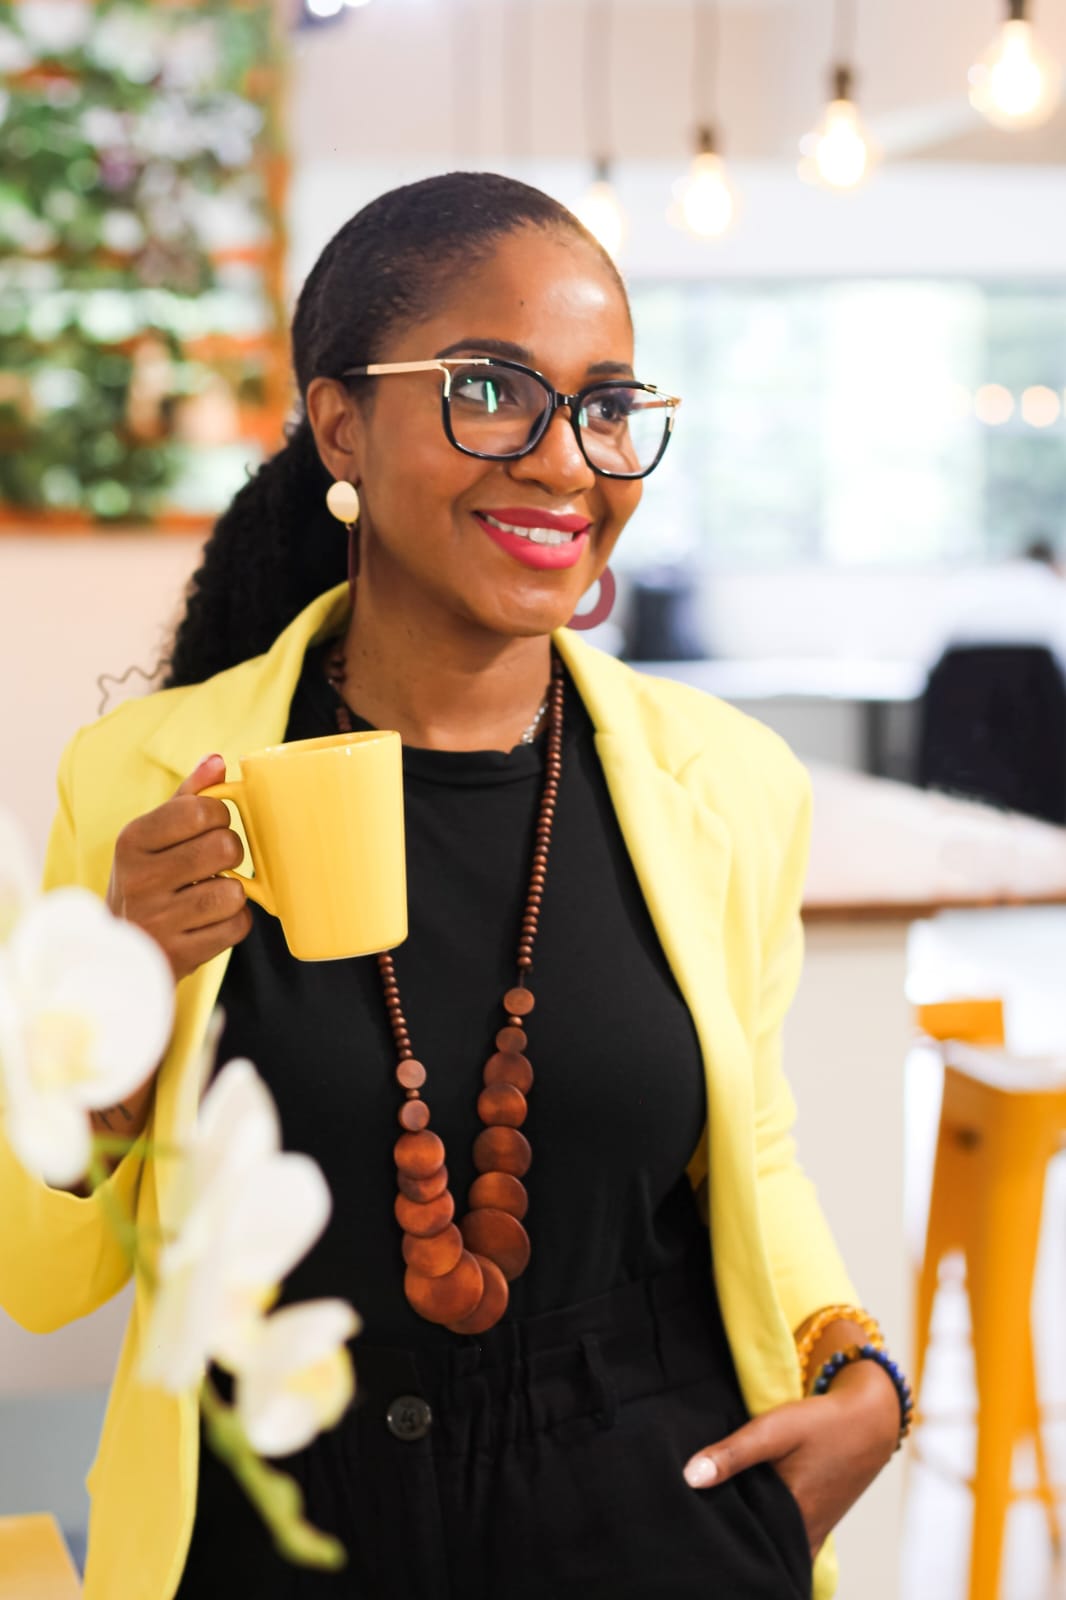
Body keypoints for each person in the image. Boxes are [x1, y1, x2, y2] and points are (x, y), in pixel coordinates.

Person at [0, 173, 905, 1600]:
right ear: (341, 422)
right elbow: (43, 1277)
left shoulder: (721, 782)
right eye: (492, 390)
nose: (564, 462)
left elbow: (751, 1148)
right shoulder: (143, 779)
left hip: (651, 1515)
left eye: (605, 407)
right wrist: (121, 1007)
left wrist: (860, 1373)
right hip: (285, 1524)